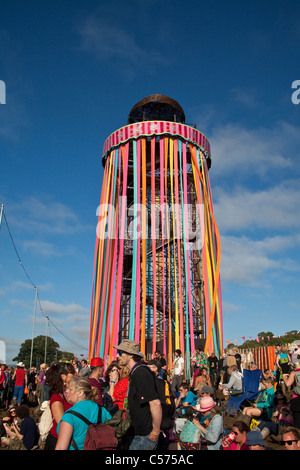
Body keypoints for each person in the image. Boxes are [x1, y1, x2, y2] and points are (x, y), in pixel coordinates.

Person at [114, 339, 162, 451]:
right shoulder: (136, 372)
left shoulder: (140, 373)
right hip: (137, 433)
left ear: (130, 355)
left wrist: (155, 431)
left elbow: (155, 403)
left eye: (121, 353)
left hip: (143, 436)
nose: (117, 356)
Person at [55, 376, 112, 450]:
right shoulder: (102, 410)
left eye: (70, 389)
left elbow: (61, 447)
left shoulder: (69, 416)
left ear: (80, 393)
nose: (66, 391)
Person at [44, 361, 75, 450]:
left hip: (68, 438)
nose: (74, 374)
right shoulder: (56, 397)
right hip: (58, 440)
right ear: (63, 377)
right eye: (72, 373)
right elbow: (61, 423)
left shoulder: (67, 393)